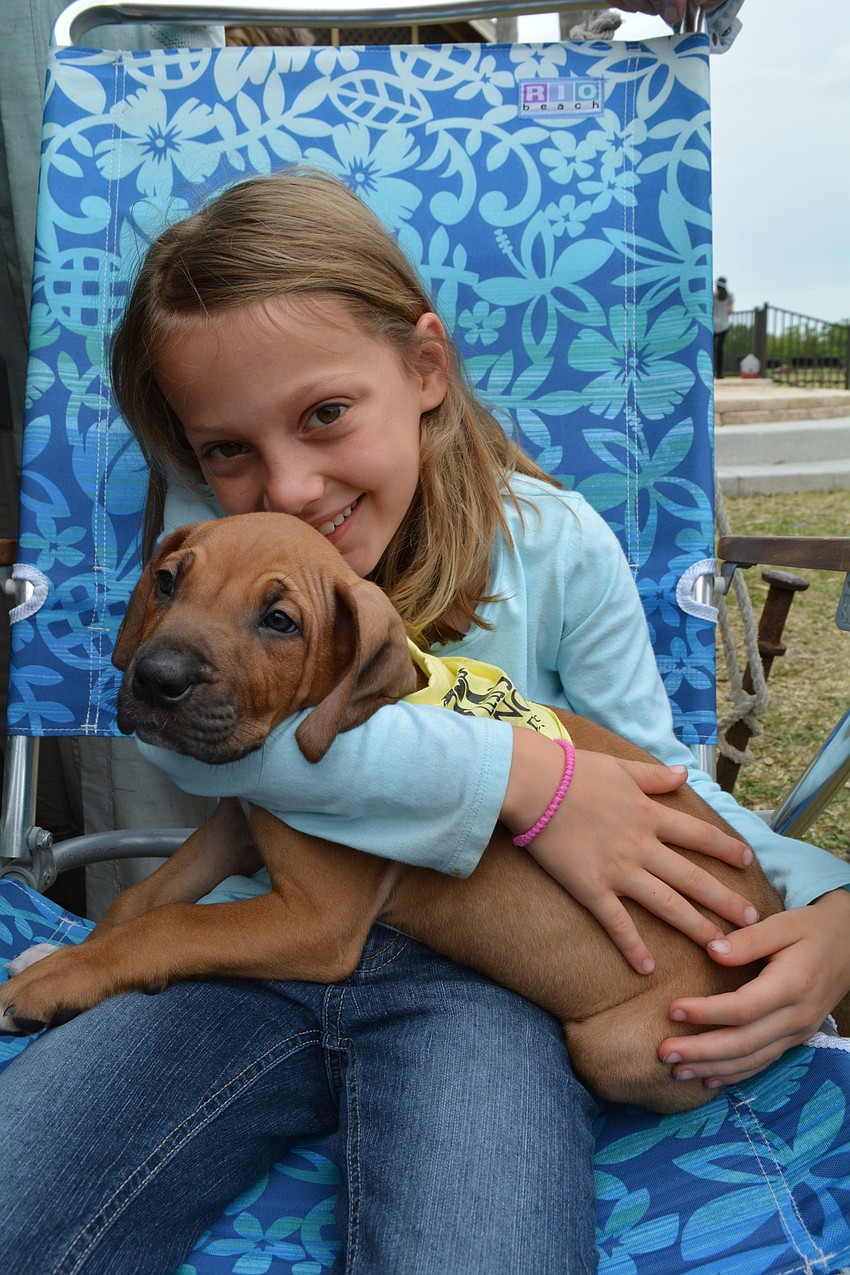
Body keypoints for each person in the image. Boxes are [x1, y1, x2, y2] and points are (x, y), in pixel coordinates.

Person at [2, 170, 849, 1275]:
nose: (289, 486)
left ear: (424, 368)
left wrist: (827, 902)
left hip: (496, 1000)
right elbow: (218, 771)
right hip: (252, 959)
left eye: (325, 414)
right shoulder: (217, 543)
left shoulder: (557, 544)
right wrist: (518, 781)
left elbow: (657, 780)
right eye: (227, 448)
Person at [713, 275, 735, 376]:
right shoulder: (730, 295)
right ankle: (720, 373)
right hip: (724, 325)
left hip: (712, 325)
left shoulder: (713, 295)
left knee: (711, 349)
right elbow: (731, 311)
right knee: (720, 349)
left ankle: (711, 371)